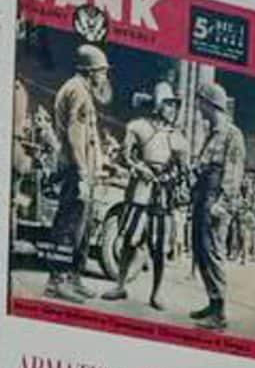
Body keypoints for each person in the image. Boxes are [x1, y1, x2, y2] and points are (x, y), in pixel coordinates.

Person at [104, 79, 187, 308]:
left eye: (175, 105)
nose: (173, 109)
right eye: (168, 104)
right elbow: (124, 156)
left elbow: (183, 170)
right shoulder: (137, 127)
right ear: (158, 104)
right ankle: (120, 285)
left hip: (163, 195)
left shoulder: (178, 137)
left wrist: (168, 177)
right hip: (139, 190)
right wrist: (139, 167)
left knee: (159, 247)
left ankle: (156, 293)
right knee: (129, 239)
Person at [45, 45, 114, 302]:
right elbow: (75, 136)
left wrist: (98, 165)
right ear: (90, 71)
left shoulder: (80, 89)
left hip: (82, 169)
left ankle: (73, 277)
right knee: (68, 225)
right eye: (102, 72)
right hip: (76, 170)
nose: (104, 77)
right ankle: (56, 280)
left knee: (82, 228)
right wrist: (83, 173)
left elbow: (88, 137)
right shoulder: (78, 91)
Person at [187, 76, 246, 330]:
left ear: (211, 104)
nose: (199, 108)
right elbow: (206, 165)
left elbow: (233, 174)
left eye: (201, 103)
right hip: (203, 196)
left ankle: (220, 312)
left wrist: (221, 205)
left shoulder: (232, 135)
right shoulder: (211, 134)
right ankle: (212, 302)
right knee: (200, 250)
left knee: (212, 252)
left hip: (215, 200)